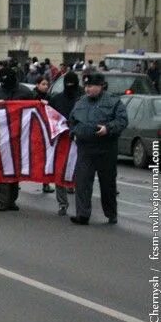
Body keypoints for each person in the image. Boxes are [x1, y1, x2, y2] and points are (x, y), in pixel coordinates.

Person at [68, 72, 128, 225]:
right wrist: (73, 133)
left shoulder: (113, 101)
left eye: (91, 86)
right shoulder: (81, 101)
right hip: (85, 148)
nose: (87, 89)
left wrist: (108, 128)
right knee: (82, 182)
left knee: (107, 184)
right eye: (86, 86)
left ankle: (111, 213)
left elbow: (122, 120)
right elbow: (72, 120)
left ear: (101, 86)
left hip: (105, 148)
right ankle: (82, 215)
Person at [0, 65, 35, 211]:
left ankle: (11, 200)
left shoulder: (25, 92)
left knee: (15, 169)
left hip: (20, 136)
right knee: (3, 169)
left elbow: (34, 111)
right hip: (1, 135)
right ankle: (3, 201)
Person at [48, 71, 83, 216]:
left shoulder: (83, 99)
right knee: (60, 171)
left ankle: (82, 204)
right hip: (61, 138)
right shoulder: (57, 99)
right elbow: (49, 116)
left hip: (79, 139)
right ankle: (62, 203)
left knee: (81, 172)